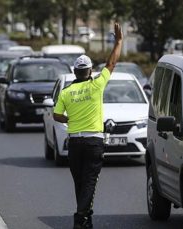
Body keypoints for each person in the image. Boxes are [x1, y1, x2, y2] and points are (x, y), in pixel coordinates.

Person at [53, 23, 123, 229]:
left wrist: (70, 120)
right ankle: (80, 218)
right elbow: (111, 64)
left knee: (80, 183)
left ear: (75, 72)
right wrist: (118, 41)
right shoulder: (96, 85)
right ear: (90, 71)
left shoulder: (66, 92)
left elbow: (57, 116)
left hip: (74, 142)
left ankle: (86, 220)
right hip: (94, 142)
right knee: (90, 182)